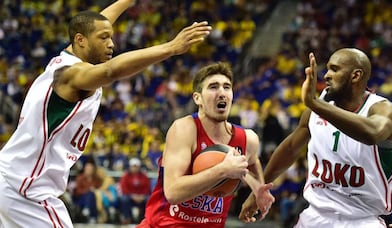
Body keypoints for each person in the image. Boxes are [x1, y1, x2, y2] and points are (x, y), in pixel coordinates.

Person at [0, 0, 212, 227]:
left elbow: (95, 24)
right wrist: (171, 48)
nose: (111, 44)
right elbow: (111, 70)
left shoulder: (66, 57)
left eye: (110, 37)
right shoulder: (72, 75)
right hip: (24, 191)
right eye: (104, 38)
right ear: (80, 40)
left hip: (12, 179)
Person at [239, 48, 392, 227]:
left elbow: (372, 133)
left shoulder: (383, 109)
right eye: (327, 69)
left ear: (355, 76)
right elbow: (291, 148)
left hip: (361, 220)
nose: (326, 75)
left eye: (335, 69)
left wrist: (314, 103)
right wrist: (258, 190)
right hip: (314, 216)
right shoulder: (318, 108)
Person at [137, 62, 275, 228]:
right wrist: (222, 170)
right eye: (213, 87)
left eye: (227, 87)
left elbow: (252, 167)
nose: (222, 93)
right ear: (198, 98)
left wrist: (257, 193)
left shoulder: (248, 140)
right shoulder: (184, 129)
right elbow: (172, 192)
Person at [118, 158, 151, 224]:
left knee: (149, 199)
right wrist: (132, 196)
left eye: (136, 166)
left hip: (142, 197)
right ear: (130, 167)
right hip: (130, 196)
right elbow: (124, 188)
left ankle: (146, 218)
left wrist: (141, 196)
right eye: (133, 166)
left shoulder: (144, 176)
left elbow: (147, 188)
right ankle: (127, 218)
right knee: (124, 199)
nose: (134, 168)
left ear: (139, 167)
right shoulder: (125, 176)